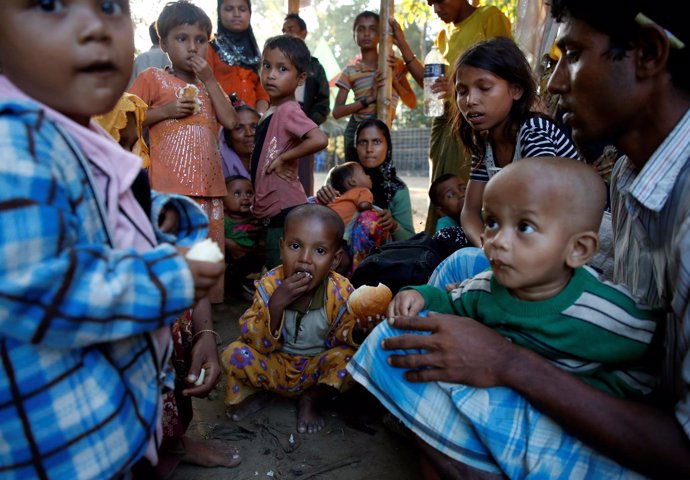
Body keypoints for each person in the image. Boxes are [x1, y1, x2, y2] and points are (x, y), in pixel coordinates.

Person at [345, 0, 690, 477]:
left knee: (397, 347)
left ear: (648, 54)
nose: (558, 83)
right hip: (589, 336)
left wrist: (506, 361)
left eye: (572, 54)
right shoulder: (631, 171)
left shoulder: (539, 135)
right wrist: (493, 248)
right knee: (458, 270)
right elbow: (473, 212)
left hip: (637, 413)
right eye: (462, 90)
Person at [0, 1, 225, 477]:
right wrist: (170, 276)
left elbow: (101, 205)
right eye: (48, 5)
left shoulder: (69, 130)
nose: (93, 27)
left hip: (105, 436)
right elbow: (39, 285)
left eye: (108, 6)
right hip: (63, 454)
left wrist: (165, 215)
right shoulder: (13, 143)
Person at [385, 156, 658, 398]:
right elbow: (450, 300)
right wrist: (418, 293)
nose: (497, 240)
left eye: (524, 227)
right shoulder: (486, 287)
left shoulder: (607, 311)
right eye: (492, 222)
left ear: (578, 249)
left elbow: (650, 368)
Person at [221, 204, 364, 434]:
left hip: (315, 370)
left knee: (356, 359)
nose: (304, 259)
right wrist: (276, 304)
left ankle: (311, 398)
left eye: (319, 251)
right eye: (295, 246)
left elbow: (344, 336)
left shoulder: (340, 290)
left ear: (335, 260)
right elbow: (253, 339)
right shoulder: (269, 284)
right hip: (275, 364)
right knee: (234, 353)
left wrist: (360, 329)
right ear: (281, 248)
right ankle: (263, 392)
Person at [130, 0, 238, 304]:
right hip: (169, 190)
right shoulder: (153, 78)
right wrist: (165, 110)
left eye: (200, 40)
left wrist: (210, 80)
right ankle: (174, 326)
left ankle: (203, 328)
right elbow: (126, 119)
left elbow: (230, 120)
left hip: (210, 189)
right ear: (163, 42)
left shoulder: (207, 87)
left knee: (206, 258)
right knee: (173, 259)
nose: (192, 48)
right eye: (182, 38)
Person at [389, 0, 511, 234]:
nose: (436, 10)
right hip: (444, 121)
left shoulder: (489, 16)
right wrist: (403, 45)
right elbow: (431, 85)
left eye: (440, 1)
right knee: (441, 189)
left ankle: (475, 241)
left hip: (472, 121)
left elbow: (504, 69)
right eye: (431, 4)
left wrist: (459, 88)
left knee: (465, 188)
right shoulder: (443, 36)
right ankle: (439, 243)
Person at [452, 36, 579, 247]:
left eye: (484, 88)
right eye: (462, 91)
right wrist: (486, 248)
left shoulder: (534, 132)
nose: (470, 100)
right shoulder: (485, 143)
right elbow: (470, 212)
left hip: (566, 241)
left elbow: (542, 209)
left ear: (516, 90)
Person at [251, 35, 328, 270]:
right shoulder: (271, 109)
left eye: (282, 69)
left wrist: (284, 157)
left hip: (284, 206)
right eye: (267, 66)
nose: (271, 74)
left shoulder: (287, 111)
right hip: (276, 205)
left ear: (300, 79)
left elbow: (319, 138)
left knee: (281, 269)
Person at [317, 119, 416, 273]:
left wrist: (394, 225)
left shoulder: (397, 189)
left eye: (376, 142)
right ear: (356, 146)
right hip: (336, 252)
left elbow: (410, 240)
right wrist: (323, 197)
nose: (369, 149)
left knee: (369, 219)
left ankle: (360, 281)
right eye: (363, 142)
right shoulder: (339, 176)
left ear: (387, 146)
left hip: (379, 263)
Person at [332, 11, 416, 163]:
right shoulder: (350, 71)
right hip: (355, 133)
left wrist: (394, 81)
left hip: (382, 129)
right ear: (354, 36)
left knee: (380, 180)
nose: (366, 34)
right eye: (360, 29)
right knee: (354, 179)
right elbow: (337, 112)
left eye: (372, 29)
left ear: (381, 34)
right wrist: (369, 99)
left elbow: (412, 102)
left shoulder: (393, 64)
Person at [282, 13, 331, 197]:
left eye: (291, 29)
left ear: (303, 33)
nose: (286, 33)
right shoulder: (276, 62)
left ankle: (303, 214)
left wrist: (308, 124)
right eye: (284, 30)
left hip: (304, 123)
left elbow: (324, 102)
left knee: (302, 174)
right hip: (280, 122)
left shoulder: (315, 67)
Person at [208, 0, 269, 113]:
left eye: (242, 9)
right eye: (229, 9)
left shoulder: (255, 53)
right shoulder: (210, 48)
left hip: (250, 126)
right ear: (219, 13)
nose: (236, 14)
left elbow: (262, 93)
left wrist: (259, 118)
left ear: (250, 13)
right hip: (219, 123)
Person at [223, 175, 262, 298]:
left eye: (249, 193)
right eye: (237, 194)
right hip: (231, 260)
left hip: (250, 256)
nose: (245, 198)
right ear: (222, 202)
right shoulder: (221, 220)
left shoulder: (256, 217)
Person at [325, 161, 374, 227]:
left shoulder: (342, 197)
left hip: (325, 219)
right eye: (364, 173)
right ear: (353, 181)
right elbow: (363, 205)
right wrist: (374, 209)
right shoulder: (363, 191)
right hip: (338, 227)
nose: (368, 176)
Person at [219, 104, 260, 179]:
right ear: (228, 136)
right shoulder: (218, 171)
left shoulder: (277, 165)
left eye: (254, 127)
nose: (249, 133)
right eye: (239, 128)